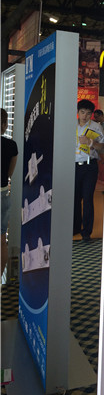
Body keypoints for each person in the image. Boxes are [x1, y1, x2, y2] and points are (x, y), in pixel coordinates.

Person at [74, 99, 104, 241]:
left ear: (91, 114)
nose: (85, 116)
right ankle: (75, 227)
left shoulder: (96, 127)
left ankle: (86, 231)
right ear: (78, 112)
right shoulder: (71, 125)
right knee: (74, 198)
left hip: (89, 166)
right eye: (82, 112)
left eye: (88, 113)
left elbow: (103, 148)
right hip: (73, 165)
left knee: (87, 198)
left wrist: (91, 143)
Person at [1, 108, 18, 276]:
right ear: (5, 125)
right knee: (1, 240)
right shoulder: (11, 146)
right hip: (2, 193)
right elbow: (9, 173)